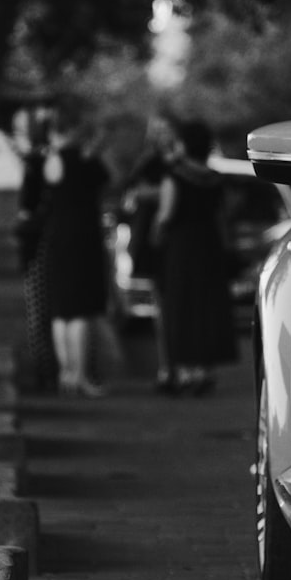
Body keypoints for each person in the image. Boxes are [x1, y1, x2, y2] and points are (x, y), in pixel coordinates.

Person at [152, 119, 237, 396]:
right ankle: (204, 370)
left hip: (181, 250)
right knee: (206, 308)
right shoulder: (214, 178)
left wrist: (154, 237)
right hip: (209, 248)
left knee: (181, 307)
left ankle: (186, 372)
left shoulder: (175, 176)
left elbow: (165, 215)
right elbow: (222, 218)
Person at [42, 105, 111, 397]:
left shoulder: (52, 161)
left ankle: (66, 373)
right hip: (84, 237)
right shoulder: (87, 160)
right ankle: (81, 375)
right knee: (81, 309)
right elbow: (107, 182)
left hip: (57, 237)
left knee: (61, 311)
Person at [121, 114, 179, 392]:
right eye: (155, 129)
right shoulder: (148, 162)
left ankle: (181, 367)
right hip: (155, 244)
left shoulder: (181, 161)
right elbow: (132, 194)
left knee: (178, 306)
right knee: (162, 308)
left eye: (164, 128)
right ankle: (167, 367)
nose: (159, 134)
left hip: (179, 241)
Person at [11, 105, 59, 393]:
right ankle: (47, 368)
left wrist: (25, 219)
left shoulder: (36, 165)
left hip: (38, 245)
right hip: (40, 244)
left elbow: (31, 208)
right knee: (43, 312)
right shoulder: (37, 163)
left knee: (39, 312)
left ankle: (45, 370)